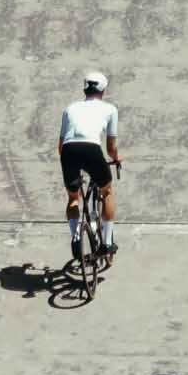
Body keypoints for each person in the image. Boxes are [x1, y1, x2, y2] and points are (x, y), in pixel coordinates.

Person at [54, 72, 121, 262]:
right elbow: (110, 148)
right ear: (103, 90)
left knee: (73, 197)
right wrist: (117, 158)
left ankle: (76, 235)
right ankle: (107, 243)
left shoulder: (69, 108)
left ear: (85, 89)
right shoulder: (110, 109)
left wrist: (72, 165)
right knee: (107, 191)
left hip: (68, 150)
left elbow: (60, 146)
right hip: (91, 149)